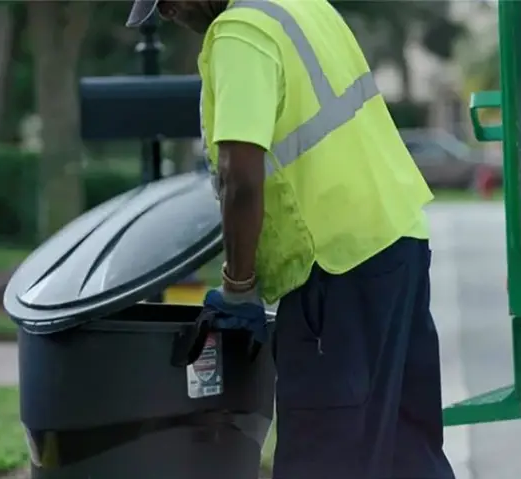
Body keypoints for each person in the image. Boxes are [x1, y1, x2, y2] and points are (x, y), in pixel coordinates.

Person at [126, 1, 456, 478]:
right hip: (396, 242)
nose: (170, 12)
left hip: (333, 267)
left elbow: (240, 175)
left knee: (324, 453)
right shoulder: (302, 6)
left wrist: (238, 285)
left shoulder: (240, 31)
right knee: (406, 447)